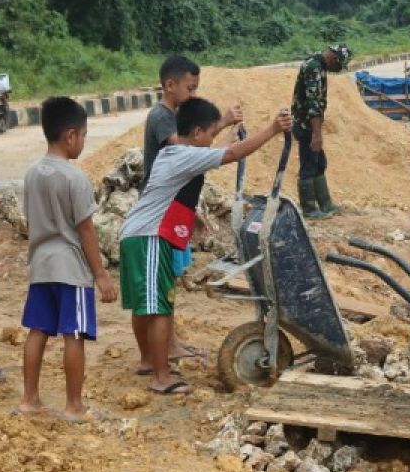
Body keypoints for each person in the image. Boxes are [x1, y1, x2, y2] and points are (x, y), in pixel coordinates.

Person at [120, 99, 292, 395]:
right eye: (211, 134)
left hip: (138, 235)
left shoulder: (176, 153)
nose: (213, 139)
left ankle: (149, 360)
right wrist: (273, 129)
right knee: (159, 307)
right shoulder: (181, 155)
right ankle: (161, 377)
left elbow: (212, 154)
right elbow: (233, 154)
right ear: (198, 132)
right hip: (149, 237)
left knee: (145, 304)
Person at [18, 97, 118, 421]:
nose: (84, 143)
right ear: (71, 135)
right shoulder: (75, 179)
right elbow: (86, 230)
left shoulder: (32, 173)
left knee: (37, 330)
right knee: (73, 334)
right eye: (84, 136)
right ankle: (73, 405)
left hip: (40, 265)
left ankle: (29, 399)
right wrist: (100, 274)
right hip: (71, 268)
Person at [140, 55, 241, 369]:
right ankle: (164, 349)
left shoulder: (174, 114)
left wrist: (191, 209)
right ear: (170, 85)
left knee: (169, 282)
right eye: (189, 88)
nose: (193, 94)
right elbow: (187, 149)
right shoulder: (162, 117)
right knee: (164, 283)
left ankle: (171, 342)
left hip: (176, 207)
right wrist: (221, 123)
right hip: (162, 212)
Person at [291, 43, 351, 220]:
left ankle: (325, 204)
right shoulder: (314, 68)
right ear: (333, 58)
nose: (338, 69)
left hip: (309, 124)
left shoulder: (319, 64)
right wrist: (316, 134)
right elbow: (313, 104)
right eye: (339, 65)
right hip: (306, 126)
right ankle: (309, 209)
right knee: (309, 165)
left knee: (319, 163)